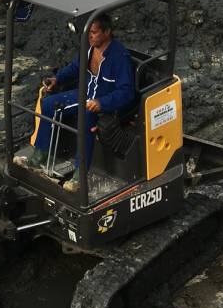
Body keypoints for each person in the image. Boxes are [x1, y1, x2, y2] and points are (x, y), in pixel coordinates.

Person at [16, 12, 135, 190]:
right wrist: (57, 79)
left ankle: (80, 175)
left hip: (106, 104)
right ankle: (40, 156)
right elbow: (74, 67)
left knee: (86, 116)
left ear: (107, 32)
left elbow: (127, 92)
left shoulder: (120, 58)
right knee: (48, 104)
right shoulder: (89, 49)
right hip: (85, 94)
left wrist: (101, 103)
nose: (90, 36)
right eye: (89, 33)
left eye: (93, 32)